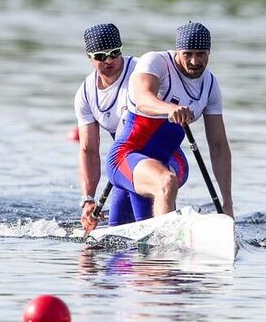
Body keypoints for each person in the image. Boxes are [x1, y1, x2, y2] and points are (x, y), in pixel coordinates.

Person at [107, 22, 234, 219]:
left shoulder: (210, 85)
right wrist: (170, 109)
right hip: (126, 155)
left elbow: (218, 145)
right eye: (188, 54)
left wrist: (227, 203)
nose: (194, 61)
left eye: (201, 54)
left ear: (209, 52)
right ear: (177, 51)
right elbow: (143, 100)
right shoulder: (156, 62)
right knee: (165, 182)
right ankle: (165, 243)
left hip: (170, 159)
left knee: (167, 181)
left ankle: (164, 230)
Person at [74, 23, 189, 233]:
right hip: (127, 161)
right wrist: (88, 198)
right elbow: (89, 150)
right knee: (118, 235)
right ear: (89, 58)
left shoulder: (143, 70)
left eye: (114, 53)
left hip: (169, 157)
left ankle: (163, 240)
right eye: (101, 56)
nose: (109, 60)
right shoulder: (86, 94)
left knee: (148, 194)